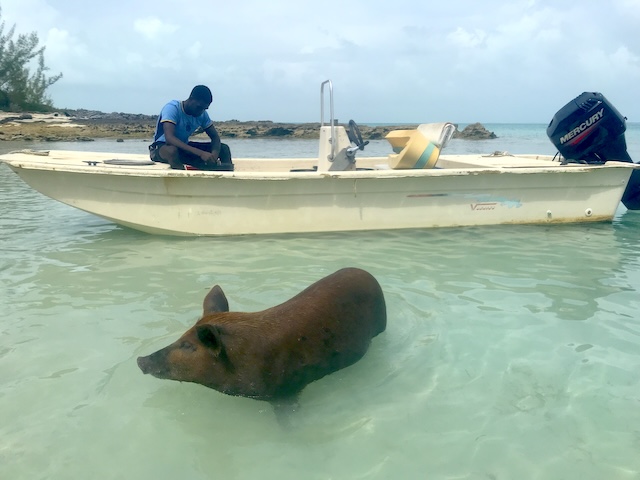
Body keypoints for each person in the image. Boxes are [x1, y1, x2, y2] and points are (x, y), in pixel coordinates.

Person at [149, 85, 233, 170]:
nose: (201, 112)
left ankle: (225, 177)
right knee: (172, 151)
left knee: (224, 148)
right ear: (191, 99)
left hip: (183, 147)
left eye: (204, 109)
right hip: (161, 147)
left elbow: (215, 137)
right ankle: (180, 178)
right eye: (199, 107)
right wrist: (201, 153)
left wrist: (214, 156)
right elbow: (169, 138)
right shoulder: (172, 108)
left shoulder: (202, 114)